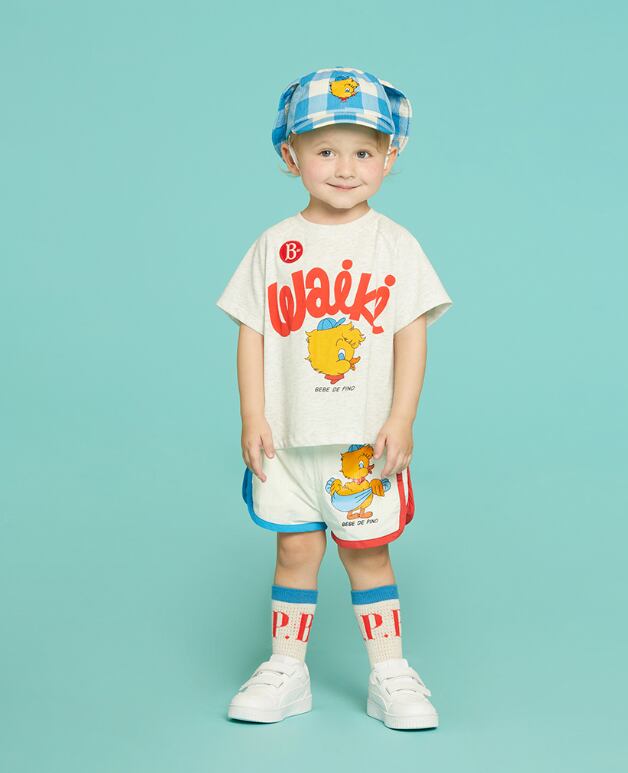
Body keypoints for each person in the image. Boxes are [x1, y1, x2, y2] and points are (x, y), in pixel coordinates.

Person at [215, 67, 453, 730]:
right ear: (290, 156)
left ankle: (390, 673)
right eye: (325, 150)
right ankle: (286, 669)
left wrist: (402, 416)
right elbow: (252, 331)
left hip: (361, 443)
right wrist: (252, 414)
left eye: (363, 152)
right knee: (294, 551)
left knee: (367, 552)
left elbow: (411, 335)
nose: (345, 168)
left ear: (389, 158)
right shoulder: (274, 245)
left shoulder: (394, 244)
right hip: (289, 440)